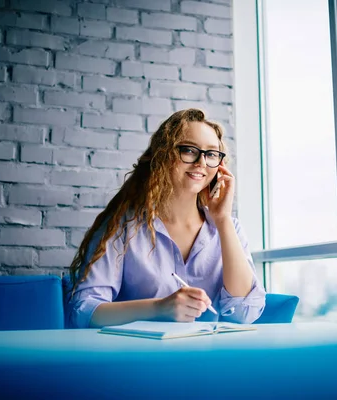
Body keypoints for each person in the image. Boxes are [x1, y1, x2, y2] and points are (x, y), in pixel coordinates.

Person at [65, 108, 266, 328]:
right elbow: (84, 311)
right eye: (189, 150)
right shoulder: (122, 226)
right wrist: (159, 308)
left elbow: (246, 313)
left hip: (210, 356)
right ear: (163, 155)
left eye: (211, 154)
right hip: (143, 357)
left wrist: (223, 219)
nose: (201, 162)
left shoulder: (228, 227)